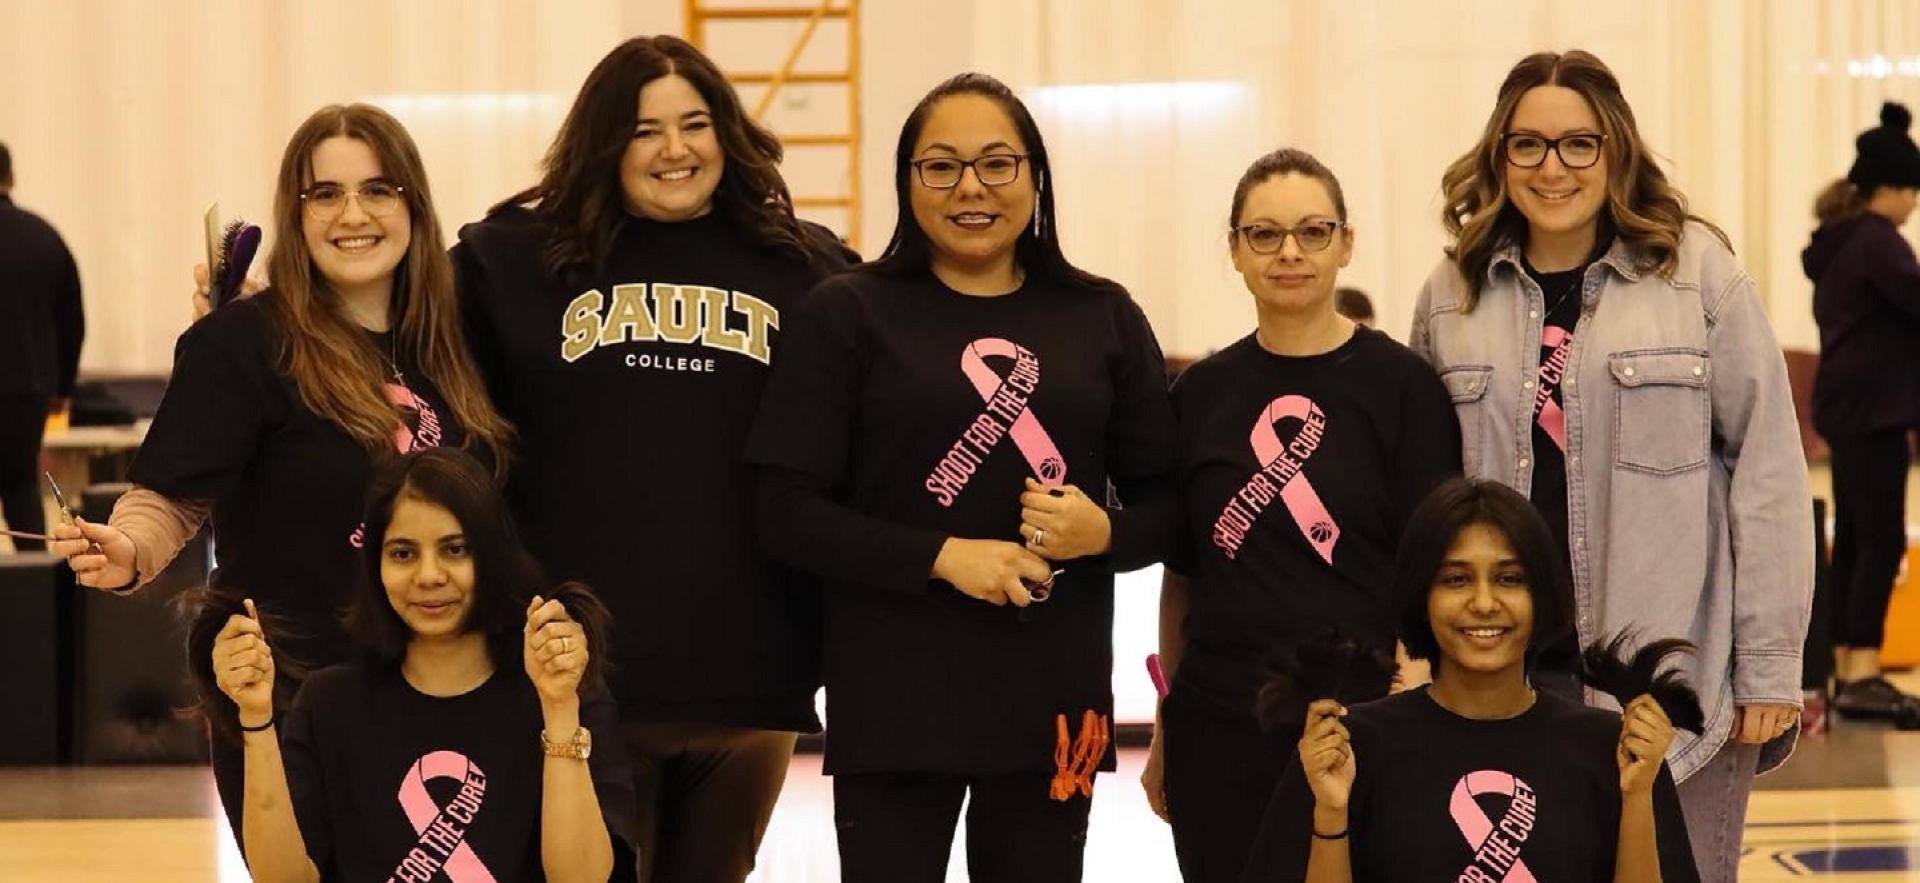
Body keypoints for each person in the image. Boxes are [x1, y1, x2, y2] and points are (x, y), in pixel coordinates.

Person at [745, 72, 1178, 882]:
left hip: (1055, 704)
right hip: (895, 698)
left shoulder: (1103, 315)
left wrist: (1106, 532)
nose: (970, 187)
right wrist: (943, 556)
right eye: (940, 166)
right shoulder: (847, 313)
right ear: (907, 182)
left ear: (1036, 177)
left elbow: (1174, 508)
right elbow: (786, 513)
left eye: (997, 163)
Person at [451, 36, 857, 882]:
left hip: (751, 674)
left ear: (727, 135)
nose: (674, 149)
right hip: (580, 672)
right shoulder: (514, 260)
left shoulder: (810, 269)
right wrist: (247, 311)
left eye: (695, 124)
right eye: (643, 130)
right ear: (605, 143)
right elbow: (388, 317)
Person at [51, 103, 512, 836]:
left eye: (378, 189)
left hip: (453, 691)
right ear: (293, 215)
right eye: (324, 193)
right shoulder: (241, 342)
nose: (351, 213)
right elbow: (173, 492)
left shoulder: (464, 338)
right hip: (295, 694)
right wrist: (130, 548)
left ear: (414, 206)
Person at [1410, 50, 1813, 881]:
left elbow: (1769, 467)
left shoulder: (1697, 273)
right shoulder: (1451, 297)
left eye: (1577, 144)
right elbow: (1425, 498)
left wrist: (1770, 665)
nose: (1552, 168)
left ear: (1615, 148)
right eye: (1527, 145)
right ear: (1499, 156)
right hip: (1503, 677)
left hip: (1670, 686)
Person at [1144, 147, 1459, 883]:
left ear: (1346, 243)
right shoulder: (1197, 397)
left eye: (1313, 231)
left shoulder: (1404, 389)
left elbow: (1432, 563)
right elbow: (1185, 574)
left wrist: (1421, 710)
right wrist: (1168, 715)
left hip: (1365, 717)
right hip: (1221, 724)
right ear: (1235, 250)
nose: (1290, 252)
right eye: (1264, 234)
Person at [198, 447, 635, 882]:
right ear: (376, 566)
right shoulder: (330, 702)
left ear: (493, 555)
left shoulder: (563, 693)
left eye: (455, 549)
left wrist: (558, 708)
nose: (429, 576)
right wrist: (256, 720)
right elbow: (284, 879)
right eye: (403, 554)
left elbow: (581, 878)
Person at [1240, 477, 1699, 883]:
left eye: (1509, 579)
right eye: (1457, 579)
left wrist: (1637, 798)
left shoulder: (1612, 750)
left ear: (1542, 595)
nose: (1483, 602)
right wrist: (1331, 811)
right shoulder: (1348, 746)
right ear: (1422, 596)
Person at [1802, 102, 1920, 727]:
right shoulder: (1878, 242)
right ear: (1890, 188)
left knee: (1852, 541)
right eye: (1912, 192)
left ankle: (1849, 667)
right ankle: (1864, 673)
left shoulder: (1841, 243)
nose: (1914, 205)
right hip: (1874, 413)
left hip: (1849, 411)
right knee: (1878, 540)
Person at [0, 140, 85, 552]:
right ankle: (35, 600)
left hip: (25, 387)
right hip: (26, 391)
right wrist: (62, 390)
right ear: (10, 177)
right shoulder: (44, 238)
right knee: (20, 488)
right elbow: (73, 322)